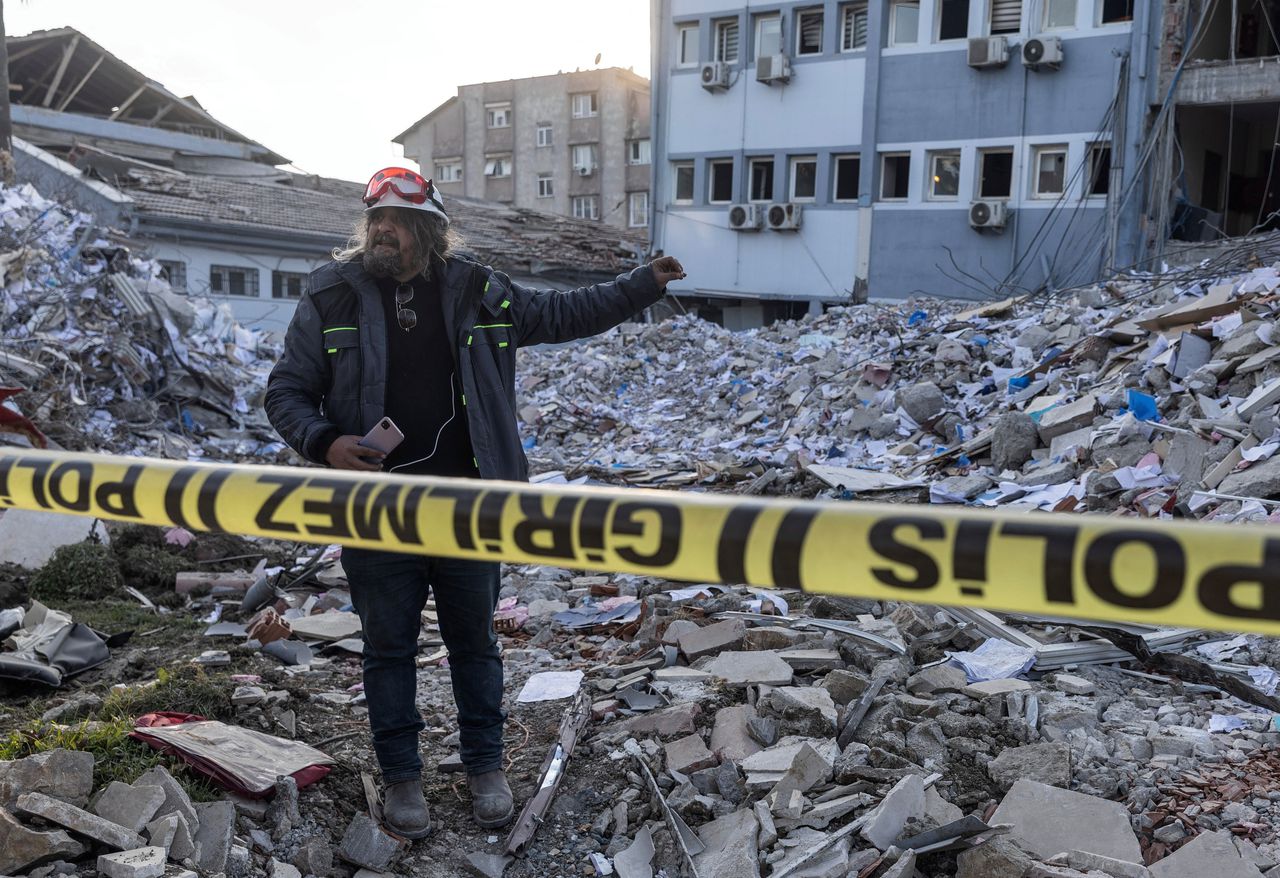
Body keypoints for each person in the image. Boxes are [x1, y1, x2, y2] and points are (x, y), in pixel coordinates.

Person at [264, 166, 685, 840]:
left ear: (428, 231)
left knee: (474, 643)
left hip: (471, 507)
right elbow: (285, 390)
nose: (381, 234)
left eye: (396, 225)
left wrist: (642, 285)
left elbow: (562, 314)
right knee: (388, 648)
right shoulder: (330, 294)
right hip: (377, 510)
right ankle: (402, 778)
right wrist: (326, 442)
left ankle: (486, 767)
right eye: (375, 221)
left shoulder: (479, 290)